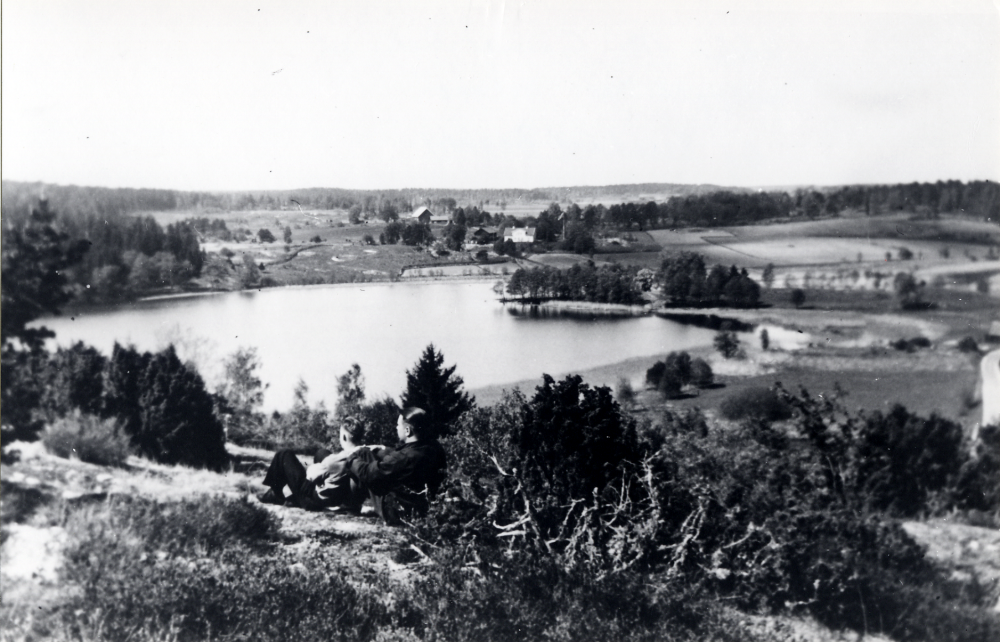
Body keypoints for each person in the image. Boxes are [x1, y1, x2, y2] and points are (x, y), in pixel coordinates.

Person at [343, 406, 448, 525]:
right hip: (423, 508)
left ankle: (351, 508)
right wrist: (384, 449)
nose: (396, 428)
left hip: (397, 512)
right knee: (369, 456)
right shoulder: (435, 448)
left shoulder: (403, 458)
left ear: (407, 431)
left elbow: (368, 473)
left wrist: (352, 457)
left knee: (362, 454)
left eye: (398, 425)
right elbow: (406, 455)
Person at [257, 417, 381, 512]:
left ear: (343, 436)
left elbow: (310, 475)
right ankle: (279, 494)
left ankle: (276, 494)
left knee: (284, 454)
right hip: (343, 496)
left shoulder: (335, 461)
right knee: (321, 453)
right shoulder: (366, 453)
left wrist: (311, 467)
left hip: (315, 500)